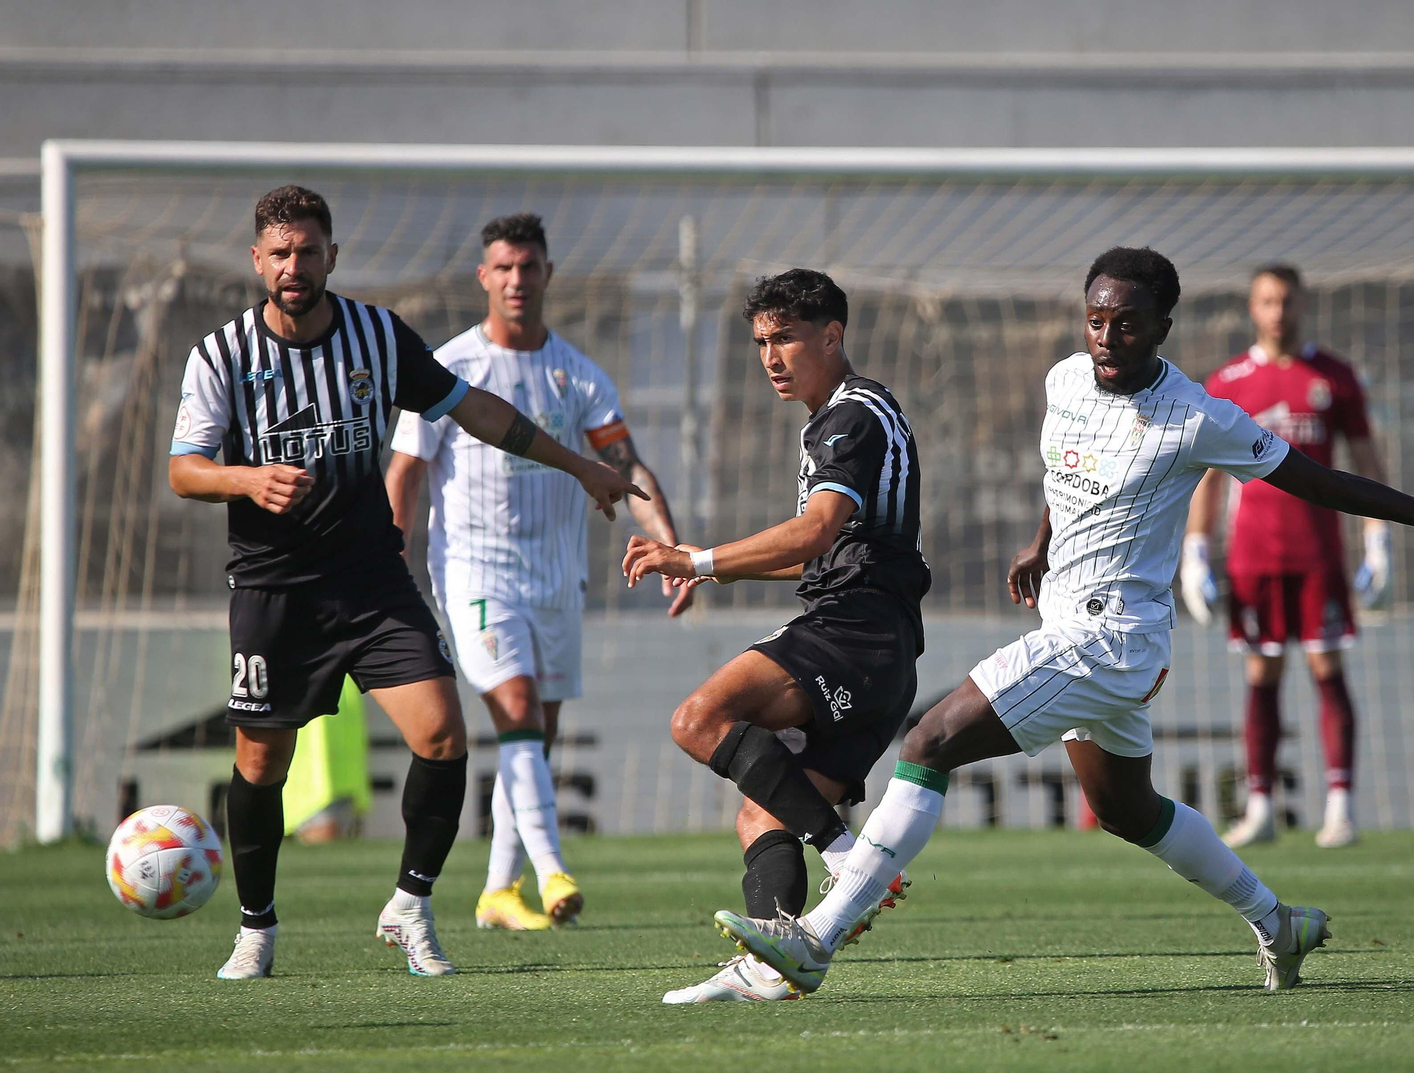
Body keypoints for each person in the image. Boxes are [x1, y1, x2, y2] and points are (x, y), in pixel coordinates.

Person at [711, 247, 1414, 996]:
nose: (1107, 335)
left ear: (1162, 328)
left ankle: (816, 937)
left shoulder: (1197, 417)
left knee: (928, 743)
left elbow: (1317, 480)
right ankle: (1278, 920)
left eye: (1126, 322)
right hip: (1085, 631)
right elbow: (1069, 467)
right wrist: (1040, 541)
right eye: (1096, 318)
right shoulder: (1065, 380)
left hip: (1108, 638)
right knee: (1127, 811)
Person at [168, 185, 642, 980]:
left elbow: (479, 412)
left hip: (370, 581)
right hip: (273, 587)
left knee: (443, 736)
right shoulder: (222, 355)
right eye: (279, 253)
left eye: (308, 250)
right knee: (260, 766)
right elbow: (185, 470)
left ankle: (412, 905)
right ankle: (256, 927)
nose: (294, 265)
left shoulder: (375, 336)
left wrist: (578, 464)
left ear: (331, 256)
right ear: (258, 261)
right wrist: (246, 481)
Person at [622, 269, 927, 1002]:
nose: (771, 355)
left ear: (832, 335)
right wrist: (710, 574)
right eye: (761, 340)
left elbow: (816, 530)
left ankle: (853, 857)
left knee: (698, 719)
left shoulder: (851, 415)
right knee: (763, 812)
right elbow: (809, 551)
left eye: (786, 337)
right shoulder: (837, 419)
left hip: (853, 631)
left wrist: (691, 556)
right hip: (879, 649)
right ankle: (772, 968)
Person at [386, 213, 690, 931]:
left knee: (535, 736)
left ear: (547, 275)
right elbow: (404, 472)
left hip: (556, 577)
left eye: (529, 267)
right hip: (474, 571)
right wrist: (389, 563)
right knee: (516, 712)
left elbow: (623, 463)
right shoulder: (449, 367)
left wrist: (672, 545)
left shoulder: (578, 374)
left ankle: (498, 889)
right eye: (505, 268)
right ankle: (553, 870)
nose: (518, 280)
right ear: (484, 278)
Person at [1182, 265, 1388, 849]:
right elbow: (1208, 479)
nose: (1278, 311)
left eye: (1287, 300)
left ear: (1302, 304)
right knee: (1261, 673)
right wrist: (1196, 554)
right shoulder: (1229, 382)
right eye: (1267, 301)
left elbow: (1367, 463)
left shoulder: (1334, 377)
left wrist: (1379, 539)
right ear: (1253, 307)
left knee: (1328, 669)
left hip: (1319, 554)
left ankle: (1341, 807)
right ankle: (1261, 806)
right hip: (1253, 557)